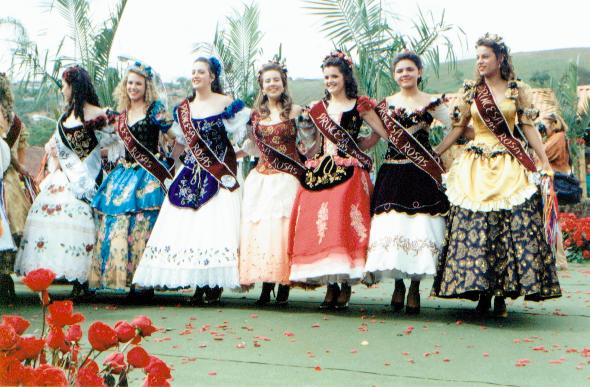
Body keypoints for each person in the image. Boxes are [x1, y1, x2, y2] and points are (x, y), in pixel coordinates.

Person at [432, 34, 561, 317]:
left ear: (500, 59)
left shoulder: (517, 90)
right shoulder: (471, 91)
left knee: (506, 227)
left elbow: (526, 127)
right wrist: (437, 150)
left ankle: (502, 293)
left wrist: (541, 159)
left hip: (509, 163)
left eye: (485, 56)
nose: (480, 61)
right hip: (475, 163)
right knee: (476, 227)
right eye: (478, 57)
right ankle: (480, 290)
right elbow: (458, 127)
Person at [132, 56, 250, 305]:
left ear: (212, 76)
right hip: (192, 171)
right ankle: (199, 283)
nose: (196, 75)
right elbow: (182, 141)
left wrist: (241, 154)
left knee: (215, 226)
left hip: (219, 169)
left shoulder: (227, 104)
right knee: (191, 227)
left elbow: (246, 135)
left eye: (201, 72)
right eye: (193, 72)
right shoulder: (184, 108)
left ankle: (214, 283)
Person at [288, 51, 388, 310]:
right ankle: (330, 285)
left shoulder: (360, 105)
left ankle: (344, 285)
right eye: (326, 77)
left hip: (349, 171)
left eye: (335, 76)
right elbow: (311, 142)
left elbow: (381, 132)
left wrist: (363, 146)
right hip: (322, 168)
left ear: (345, 77)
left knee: (342, 225)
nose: (330, 81)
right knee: (323, 226)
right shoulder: (318, 108)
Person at [15, 65, 119, 296]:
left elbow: (118, 140)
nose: (62, 90)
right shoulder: (64, 118)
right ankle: (58, 273)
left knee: (83, 222)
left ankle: (84, 280)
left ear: (74, 86)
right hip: (64, 178)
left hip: (88, 179)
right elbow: (59, 148)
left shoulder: (99, 114)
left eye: (64, 85)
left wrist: (103, 154)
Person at [364, 51, 451, 314]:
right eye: (400, 70)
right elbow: (374, 138)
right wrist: (351, 147)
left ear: (419, 72)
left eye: (410, 69)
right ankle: (398, 284)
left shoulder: (432, 102)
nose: (405, 74)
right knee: (394, 226)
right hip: (392, 172)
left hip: (421, 172)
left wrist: (439, 149)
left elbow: (454, 126)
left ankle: (415, 286)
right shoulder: (385, 104)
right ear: (394, 75)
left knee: (420, 226)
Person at [89, 61, 173, 296]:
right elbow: (111, 145)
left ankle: (144, 281)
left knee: (143, 225)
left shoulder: (156, 110)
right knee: (119, 225)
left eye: (138, 83)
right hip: (124, 173)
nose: (133, 87)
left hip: (149, 175)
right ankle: (123, 277)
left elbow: (175, 137)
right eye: (129, 83)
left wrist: (171, 160)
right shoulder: (121, 116)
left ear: (146, 87)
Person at [239, 61, 306, 306]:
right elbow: (251, 147)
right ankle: (266, 285)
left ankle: (284, 284)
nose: (272, 84)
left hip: (287, 178)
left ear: (283, 82)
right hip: (261, 177)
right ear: (262, 86)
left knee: (283, 230)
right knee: (264, 231)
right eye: (268, 81)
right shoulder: (255, 115)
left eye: (276, 80)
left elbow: (309, 143)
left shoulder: (296, 111)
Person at [0, 72, 32, 304]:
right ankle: (5, 278)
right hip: (10, 177)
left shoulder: (13, 122)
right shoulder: (15, 119)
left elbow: (14, 156)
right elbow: (20, 156)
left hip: (6, 176)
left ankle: (4, 279)